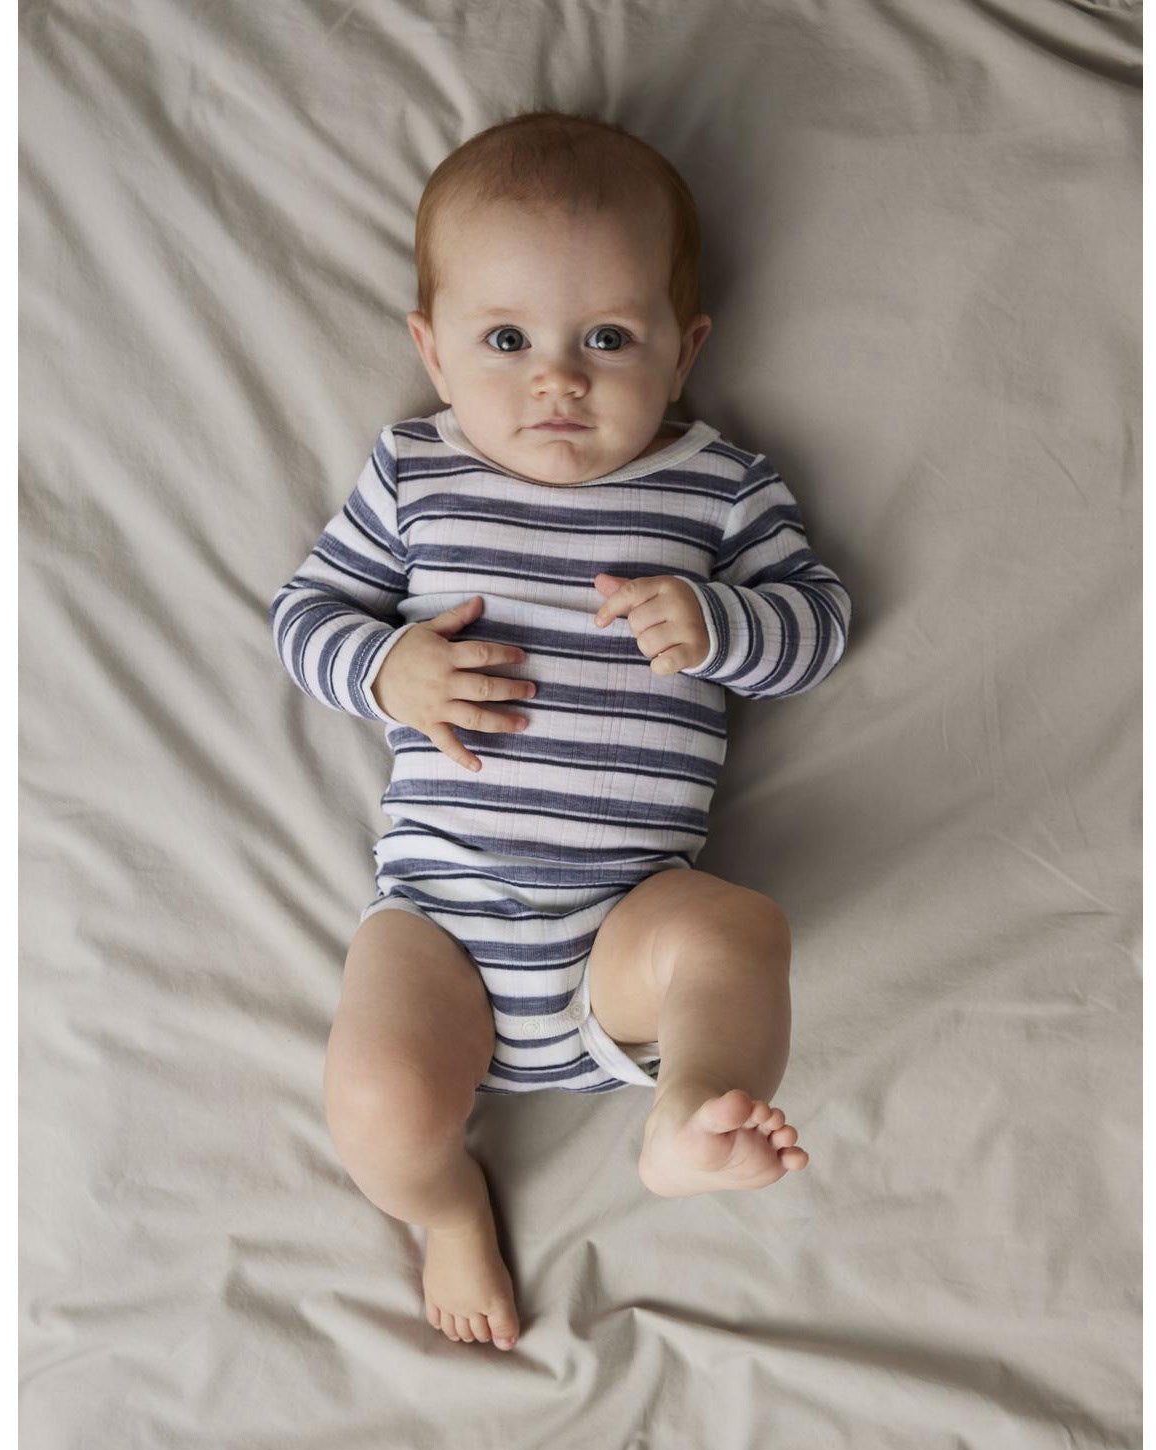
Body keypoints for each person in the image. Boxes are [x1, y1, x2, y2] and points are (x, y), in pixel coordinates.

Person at [269, 111, 851, 1353]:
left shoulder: (718, 487)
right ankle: (445, 1208)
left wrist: (721, 624)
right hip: (440, 918)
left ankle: (687, 1109)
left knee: (740, 932)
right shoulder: (415, 474)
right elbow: (302, 617)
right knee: (375, 1098)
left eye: (608, 338)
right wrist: (390, 669)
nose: (559, 379)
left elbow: (819, 626)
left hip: (626, 923)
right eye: (506, 340)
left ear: (685, 350)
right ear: (431, 351)